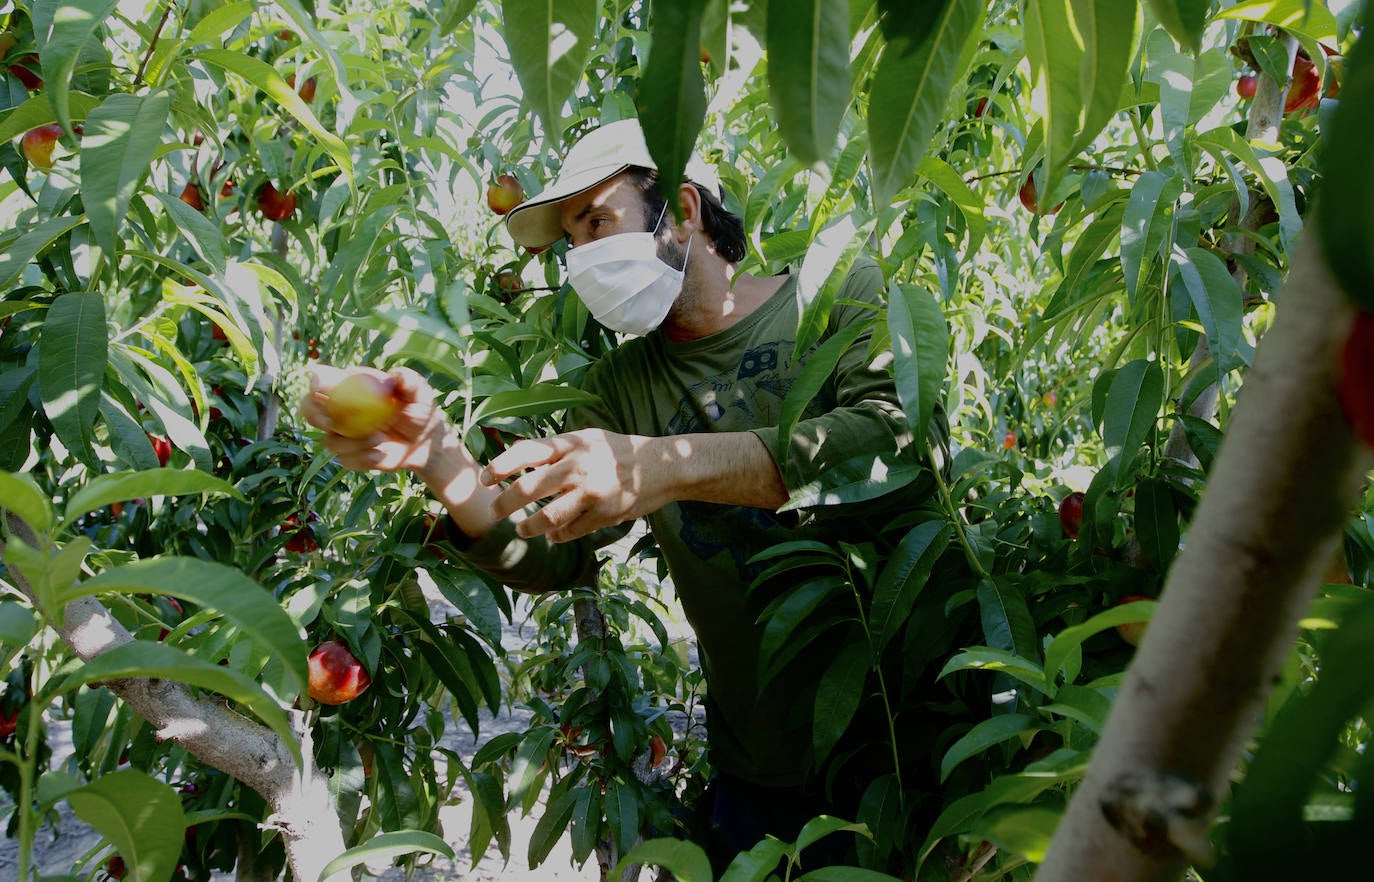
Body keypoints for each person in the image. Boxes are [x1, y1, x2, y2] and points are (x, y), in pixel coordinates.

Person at [302, 117, 947, 870]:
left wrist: (658, 467)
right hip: (761, 773)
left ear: (682, 208)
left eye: (599, 222)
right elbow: (550, 548)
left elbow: (894, 447)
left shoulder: (840, 294)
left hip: (907, 748)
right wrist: (441, 461)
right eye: (574, 239)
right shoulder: (621, 386)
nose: (585, 256)